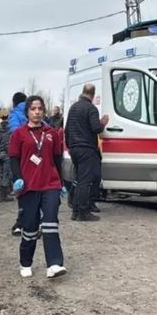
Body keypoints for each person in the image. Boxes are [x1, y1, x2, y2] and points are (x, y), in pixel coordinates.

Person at [9, 95, 68, 279]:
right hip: (29, 186)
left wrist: (62, 182)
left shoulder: (51, 133)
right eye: (33, 109)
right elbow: (13, 158)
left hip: (50, 184)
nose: (37, 112)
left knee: (50, 223)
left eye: (40, 109)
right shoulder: (19, 134)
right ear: (27, 112)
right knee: (30, 227)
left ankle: (54, 264)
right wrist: (17, 178)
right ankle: (25, 262)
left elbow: (57, 159)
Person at [65, 83, 109, 221]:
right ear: (93, 95)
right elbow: (96, 128)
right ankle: (83, 212)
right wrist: (103, 122)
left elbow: (67, 130)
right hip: (86, 148)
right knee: (85, 181)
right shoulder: (91, 108)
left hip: (74, 148)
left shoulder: (73, 108)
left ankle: (76, 210)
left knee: (79, 179)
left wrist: (70, 145)